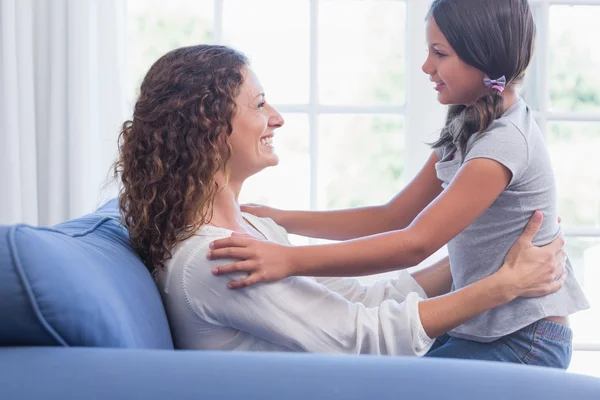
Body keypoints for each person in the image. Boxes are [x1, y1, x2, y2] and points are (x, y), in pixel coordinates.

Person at [114, 44, 566, 357]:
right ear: (208, 127)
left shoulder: (255, 233)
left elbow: (368, 300)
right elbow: (363, 338)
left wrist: (492, 256)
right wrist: (501, 286)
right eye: (259, 106)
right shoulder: (216, 260)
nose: (277, 118)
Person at [208, 0, 589, 368]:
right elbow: (393, 215)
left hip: (525, 341)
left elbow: (416, 244)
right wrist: (281, 218)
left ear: (483, 55)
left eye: (439, 53)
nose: (426, 66)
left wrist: (288, 260)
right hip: (480, 331)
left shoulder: (502, 145)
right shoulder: (468, 122)